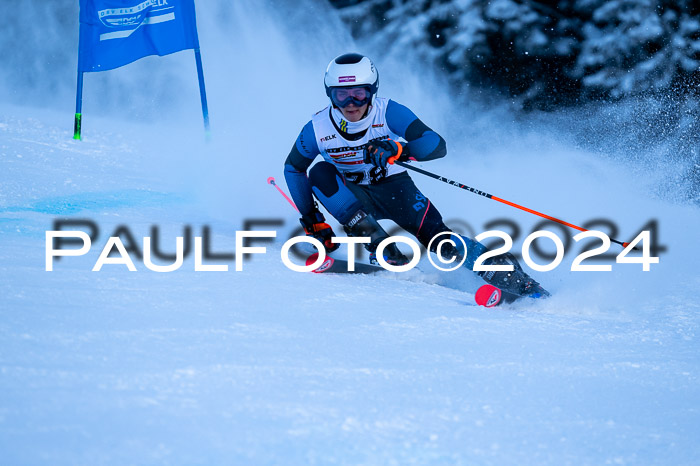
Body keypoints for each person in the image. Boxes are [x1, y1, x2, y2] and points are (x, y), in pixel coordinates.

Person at [283, 52, 544, 297]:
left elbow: (436, 145)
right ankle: (385, 251)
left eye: (359, 94)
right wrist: (312, 220)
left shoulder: (388, 112)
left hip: (394, 187)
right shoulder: (317, 128)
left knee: (440, 240)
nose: (351, 104)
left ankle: (517, 282)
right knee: (320, 172)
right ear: (330, 95)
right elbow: (293, 168)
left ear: (372, 91)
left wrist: (400, 148)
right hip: (351, 195)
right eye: (342, 96)